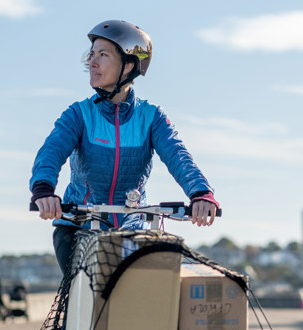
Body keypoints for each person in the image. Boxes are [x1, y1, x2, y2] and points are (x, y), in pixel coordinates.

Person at [29, 20, 219, 276]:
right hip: (78, 228)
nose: (92, 62)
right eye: (92, 54)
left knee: (142, 300)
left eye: (103, 55)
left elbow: (179, 156)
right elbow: (51, 152)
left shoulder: (151, 117)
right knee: (83, 301)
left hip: (133, 229)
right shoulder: (79, 114)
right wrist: (44, 190)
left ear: (128, 65)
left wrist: (201, 194)